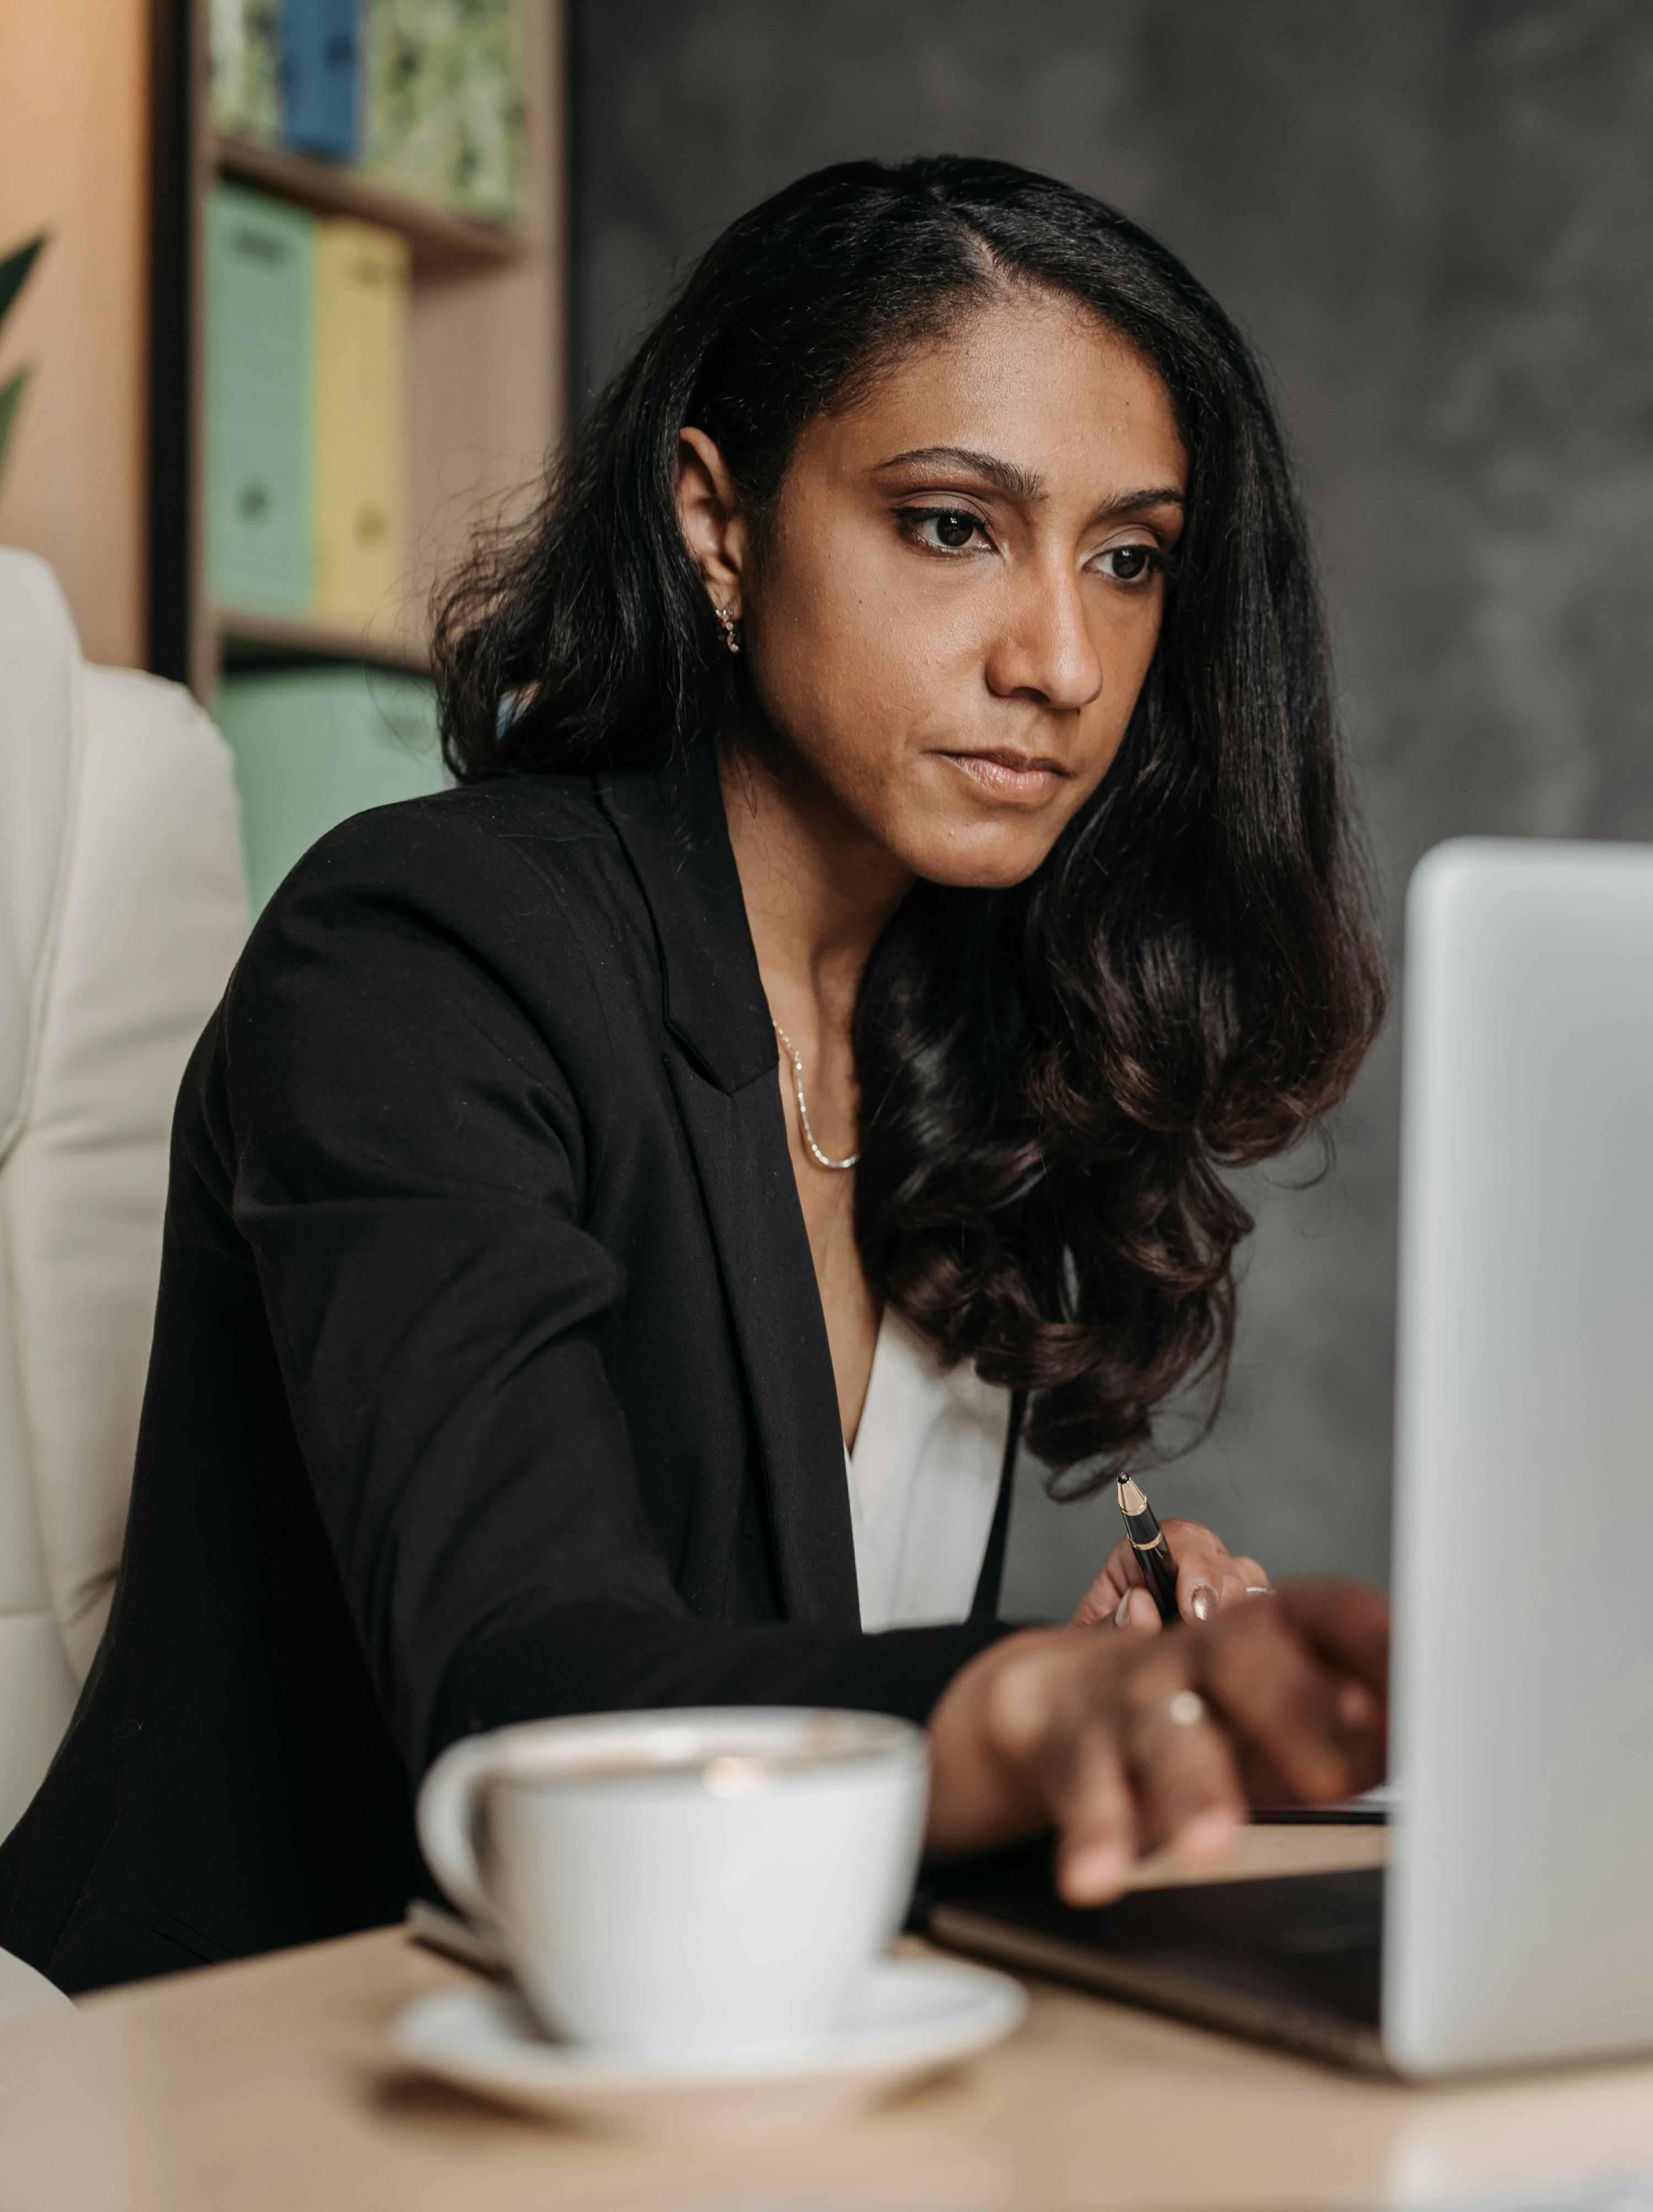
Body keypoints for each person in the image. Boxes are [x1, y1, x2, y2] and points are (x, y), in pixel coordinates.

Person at [0, 156, 1392, 1992]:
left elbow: (773, 1658)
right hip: (247, 2063)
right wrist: (1020, 1704)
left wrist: (1121, 1704)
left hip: (708, 2054)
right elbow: (523, 1685)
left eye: (1127, 557)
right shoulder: (417, 953)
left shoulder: (975, 1033)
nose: (1058, 655)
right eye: (952, 524)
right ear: (716, 524)